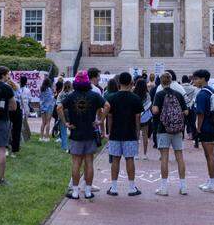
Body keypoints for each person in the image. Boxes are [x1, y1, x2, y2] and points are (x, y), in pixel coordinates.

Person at [58, 71, 104, 199]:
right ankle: (88, 191)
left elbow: (59, 108)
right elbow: (106, 105)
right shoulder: (94, 95)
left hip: (76, 133)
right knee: (89, 162)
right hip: (90, 132)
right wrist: (100, 121)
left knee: (76, 163)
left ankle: (75, 192)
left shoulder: (72, 96)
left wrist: (65, 123)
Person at [100, 72, 142, 196]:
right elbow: (138, 117)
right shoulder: (135, 98)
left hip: (115, 133)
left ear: (119, 83)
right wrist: (137, 132)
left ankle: (113, 187)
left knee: (115, 160)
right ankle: (131, 187)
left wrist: (109, 132)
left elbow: (110, 117)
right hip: (130, 132)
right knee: (130, 159)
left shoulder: (112, 98)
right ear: (131, 83)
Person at [151, 71, 189, 194]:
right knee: (180, 157)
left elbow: (155, 111)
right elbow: (186, 111)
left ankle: (164, 188)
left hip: (163, 129)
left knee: (164, 158)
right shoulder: (178, 94)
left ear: (161, 82)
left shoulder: (159, 94)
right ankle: (183, 187)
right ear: (171, 81)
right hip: (178, 129)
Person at [191, 69, 214, 192]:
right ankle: (210, 180)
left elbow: (200, 114)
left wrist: (198, 129)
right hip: (213, 125)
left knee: (209, 155)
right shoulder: (212, 90)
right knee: (208, 155)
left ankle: (213, 183)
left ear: (203, 79)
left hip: (206, 127)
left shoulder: (202, 94)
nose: (195, 81)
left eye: (197, 78)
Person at [133, 77, 153, 159]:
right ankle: (145, 154)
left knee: (136, 135)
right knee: (145, 136)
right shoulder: (147, 94)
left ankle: (136, 154)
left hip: (135, 117)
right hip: (145, 117)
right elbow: (149, 106)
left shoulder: (133, 94)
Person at [181, 74, 198, 146]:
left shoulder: (180, 87)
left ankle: (181, 139)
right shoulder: (194, 88)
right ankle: (195, 140)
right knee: (193, 124)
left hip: (182, 108)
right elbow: (195, 98)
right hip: (191, 108)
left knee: (182, 124)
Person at [38, 77, 56, 142]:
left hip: (43, 107)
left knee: (43, 122)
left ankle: (41, 137)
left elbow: (40, 97)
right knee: (48, 122)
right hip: (49, 107)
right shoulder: (49, 90)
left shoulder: (42, 89)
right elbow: (52, 98)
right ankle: (47, 137)